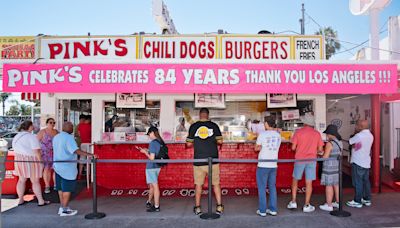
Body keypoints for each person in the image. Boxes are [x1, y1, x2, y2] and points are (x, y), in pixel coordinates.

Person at [186, 108, 224, 215]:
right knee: (216, 184)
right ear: (208, 115)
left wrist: (197, 141)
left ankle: (198, 208)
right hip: (213, 160)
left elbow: (188, 144)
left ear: (199, 115)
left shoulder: (193, 126)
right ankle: (219, 207)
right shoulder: (214, 126)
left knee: (198, 185)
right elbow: (220, 141)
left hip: (199, 160)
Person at [53, 122, 95, 216]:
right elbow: (75, 150)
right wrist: (90, 155)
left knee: (60, 188)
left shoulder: (56, 137)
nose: (73, 129)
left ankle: (62, 207)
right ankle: (65, 209)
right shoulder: (69, 138)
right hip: (67, 168)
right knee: (67, 189)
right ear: (68, 128)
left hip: (57, 166)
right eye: (72, 127)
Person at [287, 113, 324, 213]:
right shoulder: (317, 134)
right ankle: (306, 205)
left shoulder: (298, 132)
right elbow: (320, 150)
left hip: (299, 159)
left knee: (295, 180)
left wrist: (300, 149)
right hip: (312, 160)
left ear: (304, 123)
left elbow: (293, 148)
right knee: (309, 183)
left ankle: (293, 201)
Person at [13, 120, 50, 206]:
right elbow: (36, 151)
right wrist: (41, 162)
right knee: (35, 181)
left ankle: (20, 199)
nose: (33, 127)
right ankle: (41, 201)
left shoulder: (16, 136)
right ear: (29, 127)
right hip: (31, 160)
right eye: (32, 125)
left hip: (19, 159)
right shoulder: (31, 137)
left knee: (21, 180)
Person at [254, 116, 281, 217]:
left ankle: (262, 211)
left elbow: (256, 148)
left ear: (266, 124)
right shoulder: (278, 135)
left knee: (262, 188)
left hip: (263, 165)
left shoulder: (262, 135)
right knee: (272, 187)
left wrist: (260, 146)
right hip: (273, 165)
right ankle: (273, 209)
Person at [346, 120, 374, 208]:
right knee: (366, 182)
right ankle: (367, 199)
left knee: (357, 182)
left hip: (358, 161)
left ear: (360, 127)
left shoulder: (359, 135)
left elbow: (350, 141)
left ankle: (357, 201)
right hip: (366, 161)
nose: (355, 127)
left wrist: (355, 133)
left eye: (357, 125)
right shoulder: (370, 135)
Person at [137, 126, 165, 212]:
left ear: (152, 133)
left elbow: (152, 158)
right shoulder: (160, 142)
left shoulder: (153, 143)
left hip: (151, 167)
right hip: (157, 167)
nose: (149, 136)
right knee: (153, 186)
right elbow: (156, 153)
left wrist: (145, 152)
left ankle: (156, 206)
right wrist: (148, 150)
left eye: (149, 134)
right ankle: (149, 201)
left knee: (155, 186)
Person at [319, 124, 342, 212]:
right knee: (336, 184)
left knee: (329, 185)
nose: (326, 136)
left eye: (327, 134)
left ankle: (329, 205)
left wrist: (321, 155)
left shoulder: (330, 143)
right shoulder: (339, 142)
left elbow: (325, 157)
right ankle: (338, 202)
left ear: (330, 134)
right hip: (337, 166)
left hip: (329, 167)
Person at [37, 118, 59, 193]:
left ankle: (56, 184)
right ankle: (47, 186)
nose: (52, 124)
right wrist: (39, 152)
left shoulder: (56, 132)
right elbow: (36, 142)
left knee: (56, 169)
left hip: (55, 153)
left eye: (54, 122)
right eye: (50, 122)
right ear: (47, 123)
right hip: (45, 153)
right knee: (46, 169)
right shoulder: (42, 132)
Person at [77, 115, 92, 179]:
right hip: (89, 144)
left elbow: (79, 134)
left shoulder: (80, 126)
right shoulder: (90, 126)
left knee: (82, 159)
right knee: (89, 159)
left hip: (82, 143)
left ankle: (79, 174)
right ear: (88, 120)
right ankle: (89, 175)